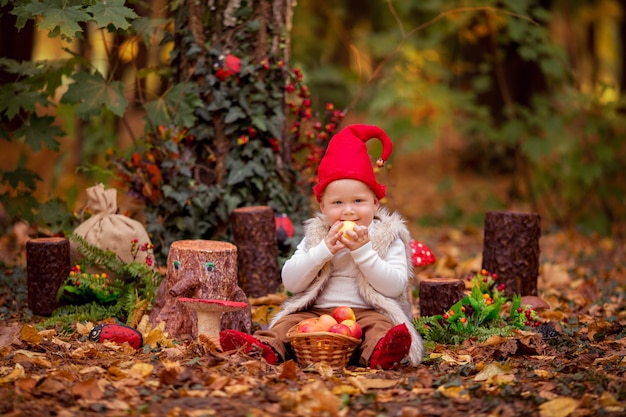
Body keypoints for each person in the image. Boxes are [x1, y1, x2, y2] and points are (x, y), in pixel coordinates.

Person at [220, 124, 423, 369]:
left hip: (368, 312)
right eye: (337, 202)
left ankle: (382, 353)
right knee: (287, 325)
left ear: (375, 203)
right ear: (323, 207)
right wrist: (324, 250)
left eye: (358, 201)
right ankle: (263, 348)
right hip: (317, 312)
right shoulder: (318, 236)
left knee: (381, 327)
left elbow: (394, 287)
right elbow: (292, 282)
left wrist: (363, 251)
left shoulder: (386, 235)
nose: (348, 210)